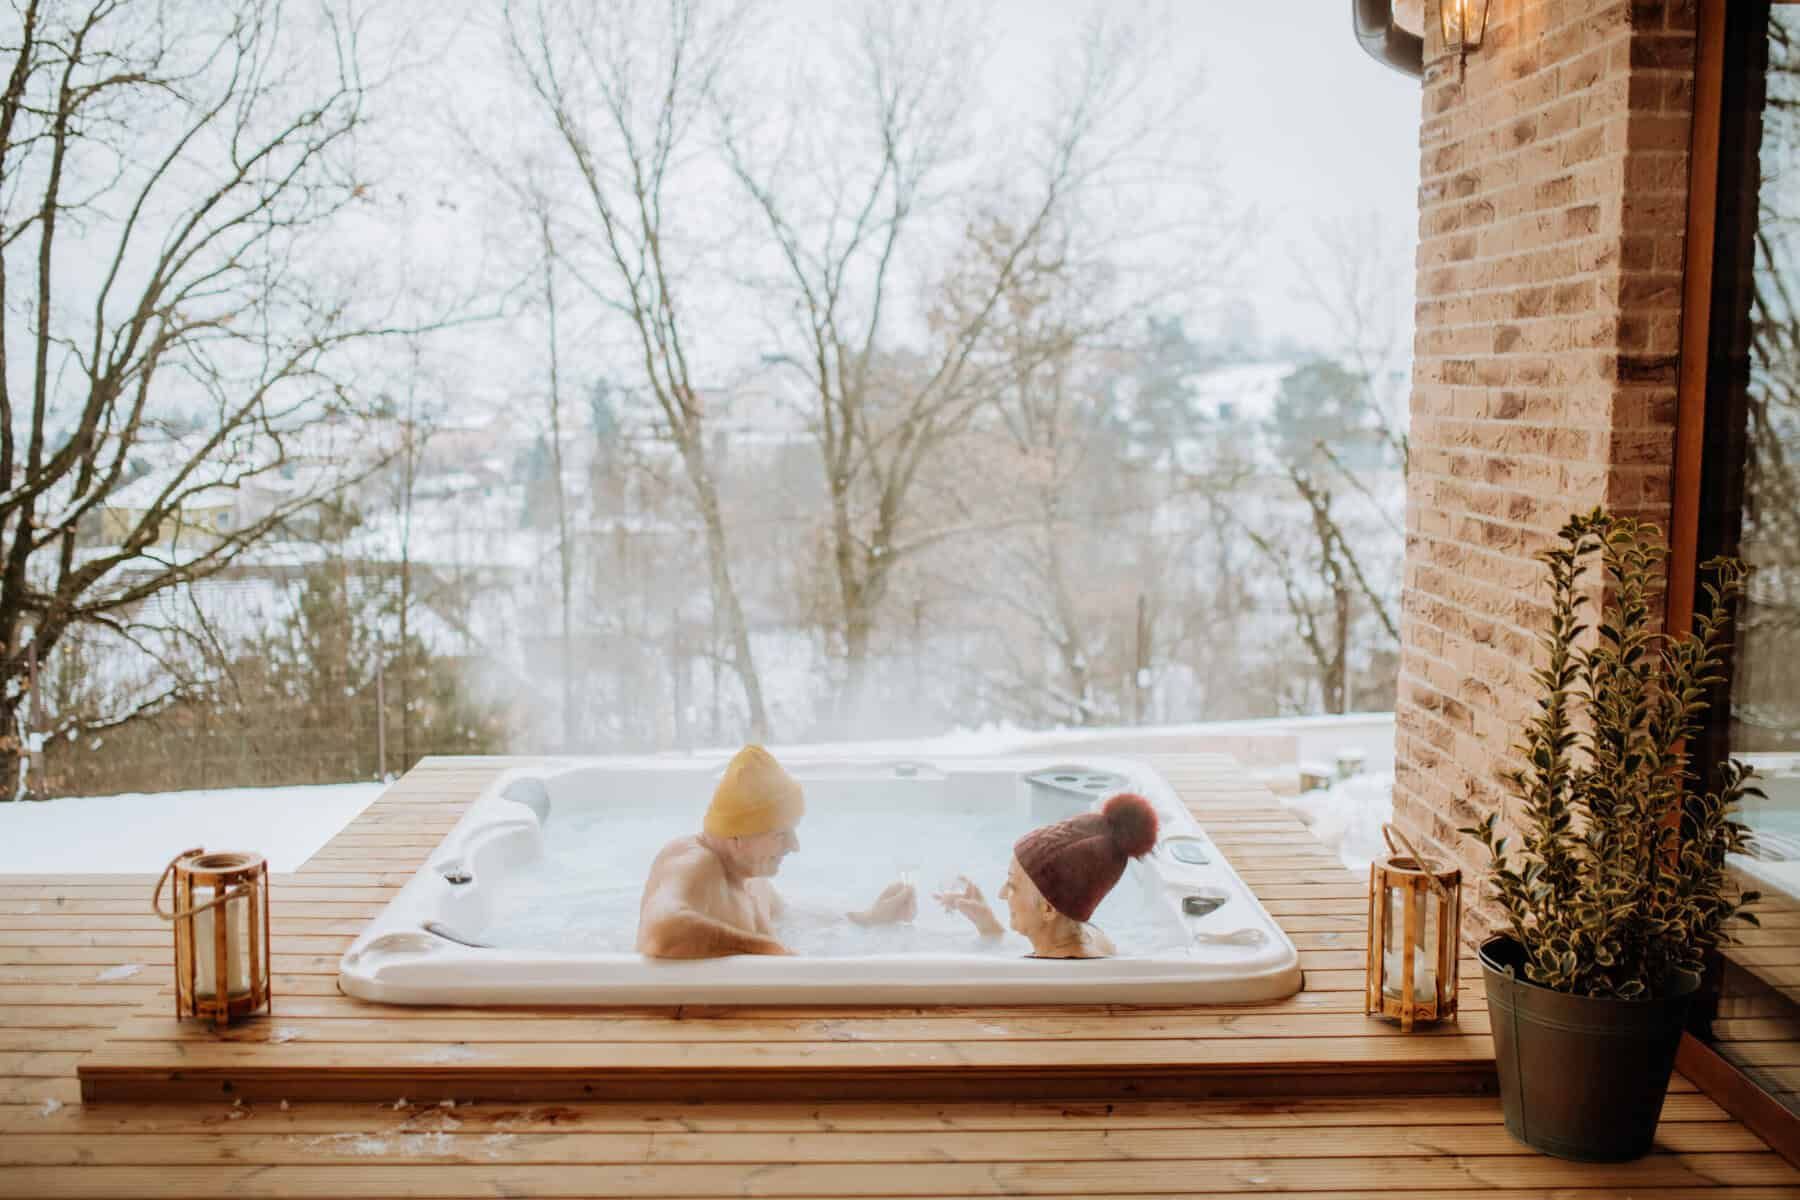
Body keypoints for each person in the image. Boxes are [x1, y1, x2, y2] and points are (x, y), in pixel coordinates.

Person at [636, 745, 916, 958]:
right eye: (781, 834)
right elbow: (660, 932)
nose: (794, 846)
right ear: (737, 837)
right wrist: (767, 949)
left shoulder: (750, 877)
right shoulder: (695, 863)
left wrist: (869, 918)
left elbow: (793, 917)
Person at [934, 792, 1159, 958]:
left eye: (1012, 885)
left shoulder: (1035, 976)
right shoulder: (1089, 936)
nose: (1002, 894)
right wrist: (988, 925)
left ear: (1049, 909)